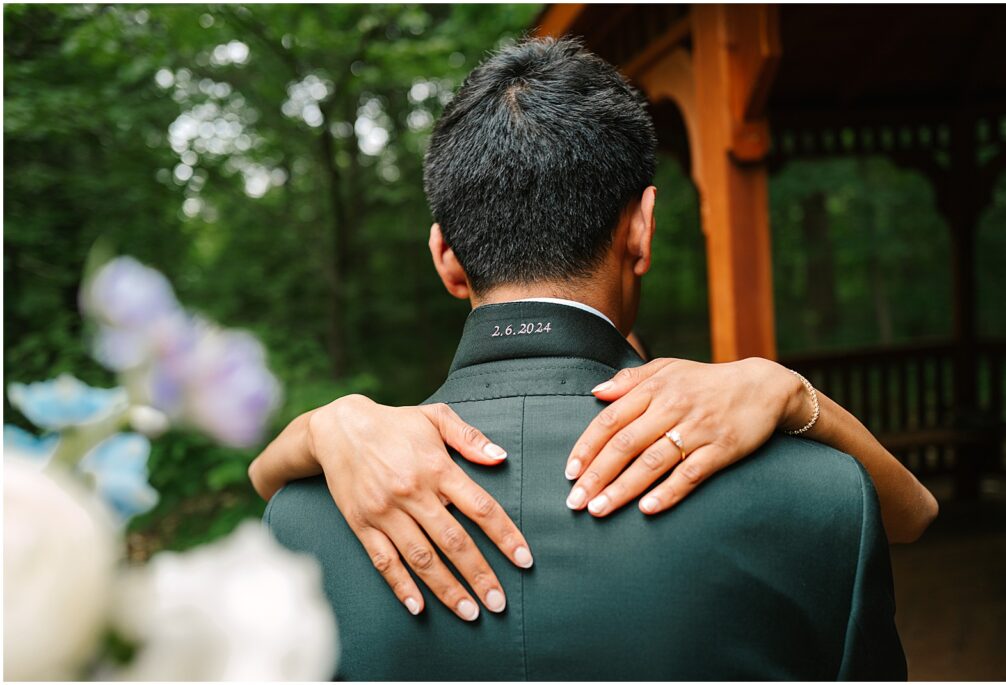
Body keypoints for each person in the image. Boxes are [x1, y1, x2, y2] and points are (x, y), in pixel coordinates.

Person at [256, 37, 932, 680]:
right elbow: (913, 515)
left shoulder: (302, 521)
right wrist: (793, 394)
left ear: (445, 258)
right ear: (641, 228)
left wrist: (322, 424)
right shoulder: (817, 494)